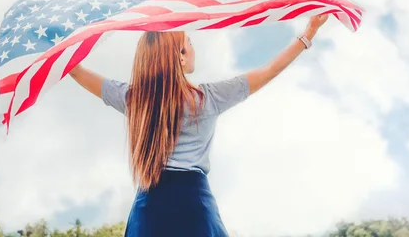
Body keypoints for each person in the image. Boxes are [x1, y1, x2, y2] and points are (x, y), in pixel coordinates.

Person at [68, 14, 329, 236]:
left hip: (148, 209)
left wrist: (58, 47)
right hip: (194, 205)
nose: (193, 48)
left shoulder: (135, 99)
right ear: (180, 57)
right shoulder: (209, 98)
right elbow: (270, 70)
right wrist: (309, 33)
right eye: (189, 43)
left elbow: (77, 71)